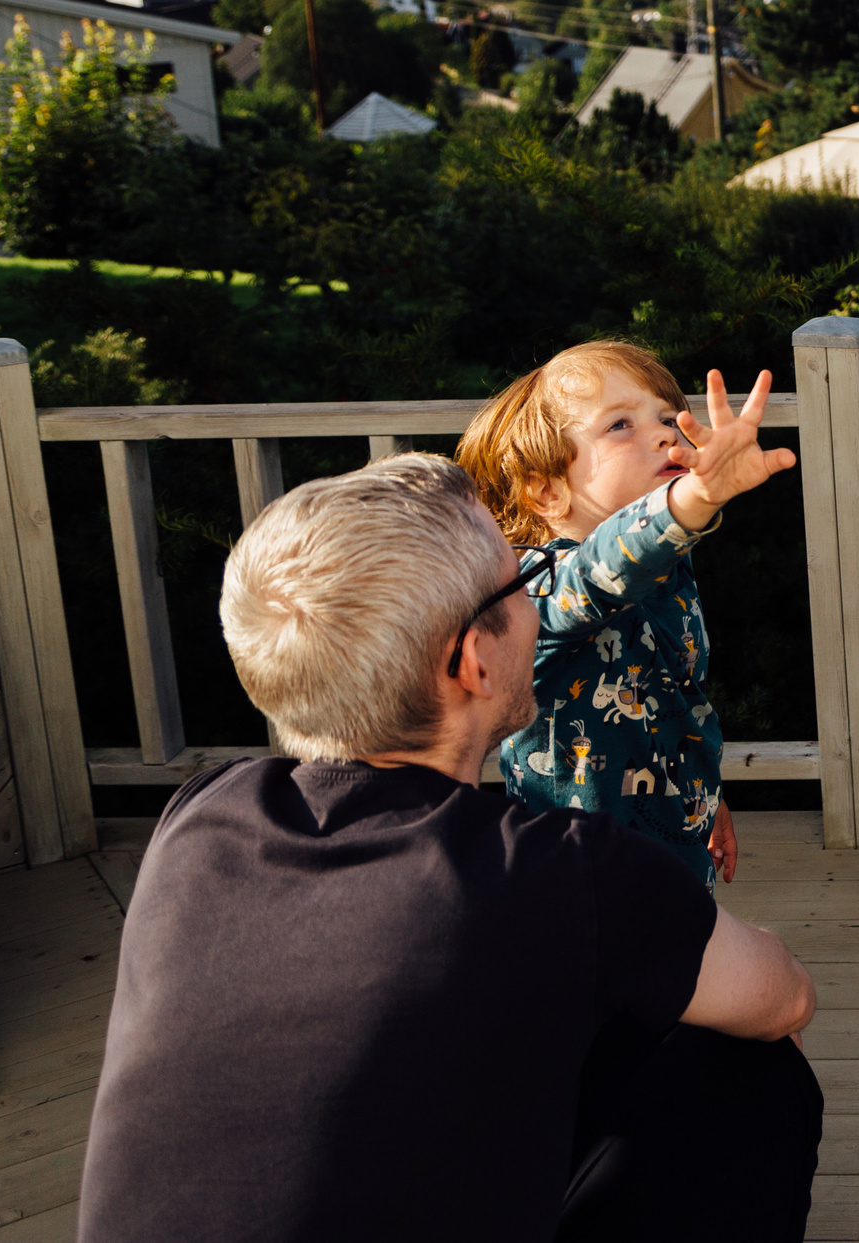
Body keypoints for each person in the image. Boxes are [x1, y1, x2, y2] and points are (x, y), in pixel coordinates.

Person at [76, 455, 821, 1243]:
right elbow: (785, 997)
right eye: (525, 575)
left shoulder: (199, 816)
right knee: (750, 1071)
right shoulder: (559, 873)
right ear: (472, 659)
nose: (540, 594)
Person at [456, 341, 793, 886]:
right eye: (620, 425)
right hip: (576, 873)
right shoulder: (536, 586)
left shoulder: (669, 571)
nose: (665, 433)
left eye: (666, 417)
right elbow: (602, 569)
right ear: (547, 491)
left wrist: (704, 797)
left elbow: (677, 701)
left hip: (675, 846)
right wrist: (697, 498)